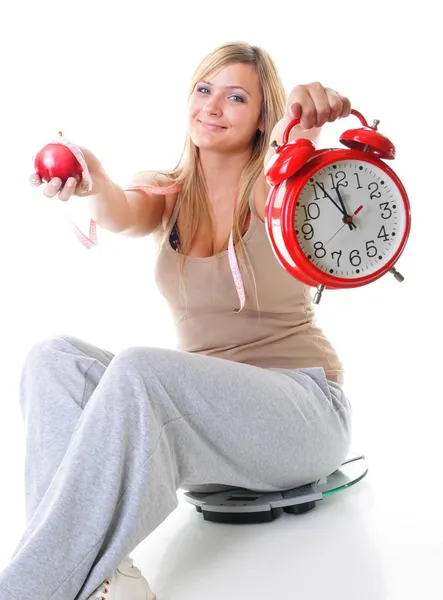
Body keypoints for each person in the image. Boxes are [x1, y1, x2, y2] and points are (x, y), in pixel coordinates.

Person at [0, 41, 353, 600]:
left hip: (300, 411)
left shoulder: (272, 187)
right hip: (207, 427)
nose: (212, 106)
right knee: (53, 358)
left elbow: (289, 180)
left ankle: (26, 589)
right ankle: (108, 579)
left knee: (141, 367)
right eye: (204, 90)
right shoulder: (170, 192)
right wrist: (91, 183)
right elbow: (121, 205)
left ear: (263, 118)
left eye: (236, 97)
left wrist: (302, 127)